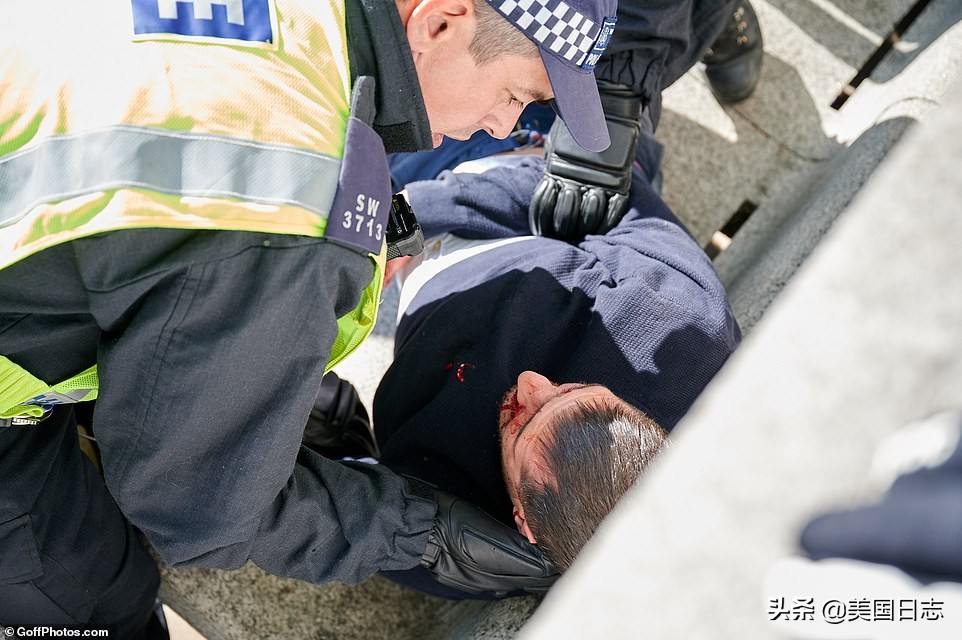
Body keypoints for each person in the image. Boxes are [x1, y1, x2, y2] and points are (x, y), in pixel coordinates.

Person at [0, 0, 626, 634]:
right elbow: (197, 503)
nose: (503, 125)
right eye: (515, 96)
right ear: (439, 23)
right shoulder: (287, 209)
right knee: (93, 601)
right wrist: (422, 532)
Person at [307, 147, 742, 597]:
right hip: (496, 163)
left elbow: (333, 515)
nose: (531, 382)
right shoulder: (689, 335)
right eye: (574, 389)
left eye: (522, 419)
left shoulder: (474, 551)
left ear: (523, 523)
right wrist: (408, 218)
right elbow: (607, 189)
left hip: (409, 260)